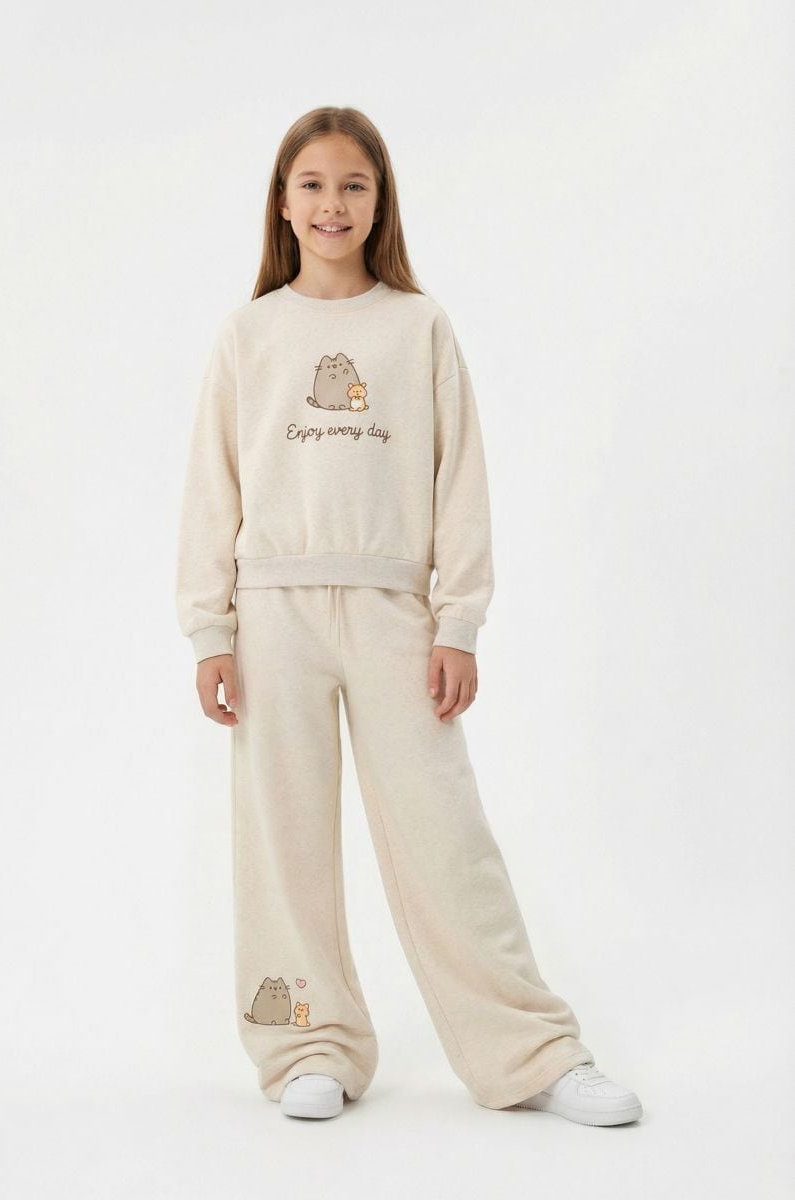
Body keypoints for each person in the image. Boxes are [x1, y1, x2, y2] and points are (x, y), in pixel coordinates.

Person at [175, 105, 643, 1127]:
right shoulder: (249, 334)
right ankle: (307, 1043)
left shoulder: (418, 326)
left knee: (445, 835)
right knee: (283, 840)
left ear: (380, 200)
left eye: (354, 184)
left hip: (394, 608)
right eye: (312, 184)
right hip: (272, 614)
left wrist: (457, 621)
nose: (332, 204)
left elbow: (458, 477)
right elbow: (213, 488)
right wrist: (211, 632)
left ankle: (530, 1052)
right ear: (282, 202)